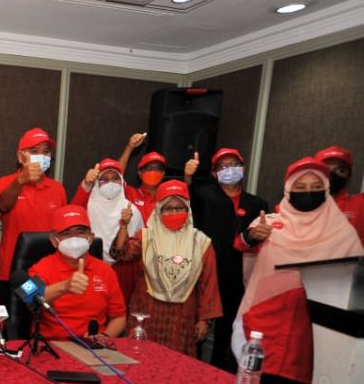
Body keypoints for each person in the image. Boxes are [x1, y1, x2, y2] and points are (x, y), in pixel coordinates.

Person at [232, 157, 363, 384]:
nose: (308, 193)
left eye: (316, 187)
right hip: (261, 330)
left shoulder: (343, 234)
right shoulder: (268, 224)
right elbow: (240, 247)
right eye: (300, 188)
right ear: (288, 190)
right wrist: (252, 236)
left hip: (311, 338)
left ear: (325, 191)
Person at [189, 148, 269, 371]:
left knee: (227, 333)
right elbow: (186, 199)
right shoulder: (204, 195)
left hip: (237, 276)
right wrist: (188, 176)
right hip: (204, 272)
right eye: (223, 166)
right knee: (197, 330)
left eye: (234, 164)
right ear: (214, 173)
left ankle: (219, 374)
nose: (230, 169)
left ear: (243, 168)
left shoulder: (257, 204)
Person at [129, 181, 222, 356]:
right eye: (168, 208)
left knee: (175, 367)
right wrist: (123, 225)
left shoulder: (201, 242)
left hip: (182, 317)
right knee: (138, 360)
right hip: (147, 311)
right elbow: (121, 254)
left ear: (188, 210)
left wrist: (204, 320)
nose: (174, 213)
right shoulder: (145, 236)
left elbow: (208, 284)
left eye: (180, 208)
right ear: (158, 210)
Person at [28, 205, 126, 345]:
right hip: (52, 346)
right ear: (54, 240)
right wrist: (64, 287)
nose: (74, 238)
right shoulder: (40, 268)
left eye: (80, 232)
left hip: (94, 348)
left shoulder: (106, 271)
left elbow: (119, 317)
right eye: (66, 233)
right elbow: (27, 296)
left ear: (90, 238)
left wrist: (104, 337)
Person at [0, 128, 67, 306]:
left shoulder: (58, 189)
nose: (41, 156)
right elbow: (2, 205)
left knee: (40, 323)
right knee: (13, 326)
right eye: (34, 151)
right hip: (14, 271)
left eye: (46, 152)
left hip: (46, 272)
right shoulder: (4, 183)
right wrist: (20, 181)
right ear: (21, 157)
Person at [82, 158, 143, 306]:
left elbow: (138, 247)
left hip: (123, 274)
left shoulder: (131, 210)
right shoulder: (87, 208)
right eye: (104, 179)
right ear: (96, 183)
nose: (110, 183)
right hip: (89, 272)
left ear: (122, 182)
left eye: (115, 178)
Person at [315, 145, 363, 243]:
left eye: (341, 170)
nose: (332, 174)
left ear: (348, 176)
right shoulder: (301, 202)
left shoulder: (360, 202)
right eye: (326, 169)